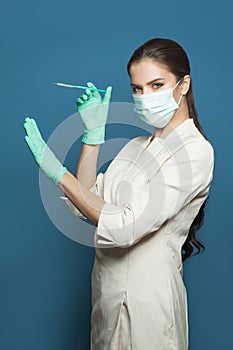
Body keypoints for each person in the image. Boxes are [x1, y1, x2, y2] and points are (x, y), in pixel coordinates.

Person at [23, 38, 215, 350]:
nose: (145, 97)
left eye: (156, 85)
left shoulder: (195, 152)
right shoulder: (136, 147)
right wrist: (93, 136)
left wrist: (58, 173)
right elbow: (85, 203)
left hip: (149, 303)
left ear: (183, 84)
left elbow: (124, 225)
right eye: (137, 89)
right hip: (107, 295)